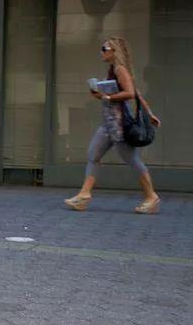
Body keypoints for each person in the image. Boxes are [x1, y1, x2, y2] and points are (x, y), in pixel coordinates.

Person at [64, 37, 162, 214]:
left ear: (114, 51)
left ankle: (151, 197)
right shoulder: (113, 69)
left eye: (104, 48)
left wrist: (107, 97)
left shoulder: (119, 69)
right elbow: (137, 93)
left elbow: (131, 93)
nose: (101, 52)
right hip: (109, 124)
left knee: (132, 159)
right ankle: (84, 195)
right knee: (93, 155)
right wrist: (101, 94)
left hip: (119, 126)